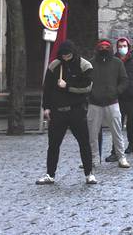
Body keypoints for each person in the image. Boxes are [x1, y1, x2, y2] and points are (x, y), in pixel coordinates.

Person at [36, 40, 97, 185]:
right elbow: (48, 89)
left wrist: (67, 86)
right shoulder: (54, 66)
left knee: (84, 143)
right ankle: (50, 174)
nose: (66, 58)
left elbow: (87, 87)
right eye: (63, 55)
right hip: (58, 112)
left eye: (68, 55)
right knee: (53, 144)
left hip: (76, 111)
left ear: (73, 53)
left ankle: (89, 174)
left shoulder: (85, 65)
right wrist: (47, 107)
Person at [88, 39, 130, 168]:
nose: (104, 50)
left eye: (106, 47)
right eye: (101, 48)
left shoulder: (117, 63)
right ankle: (94, 159)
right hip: (94, 103)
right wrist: (90, 94)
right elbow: (85, 81)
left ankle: (121, 157)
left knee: (117, 132)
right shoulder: (90, 64)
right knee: (92, 134)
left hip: (112, 102)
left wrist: (116, 92)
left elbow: (124, 80)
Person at [107, 37, 133, 164]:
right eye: (120, 46)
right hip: (117, 98)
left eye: (124, 45)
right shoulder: (112, 61)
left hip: (132, 98)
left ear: (128, 47)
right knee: (116, 126)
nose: (122, 48)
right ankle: (115, 152)